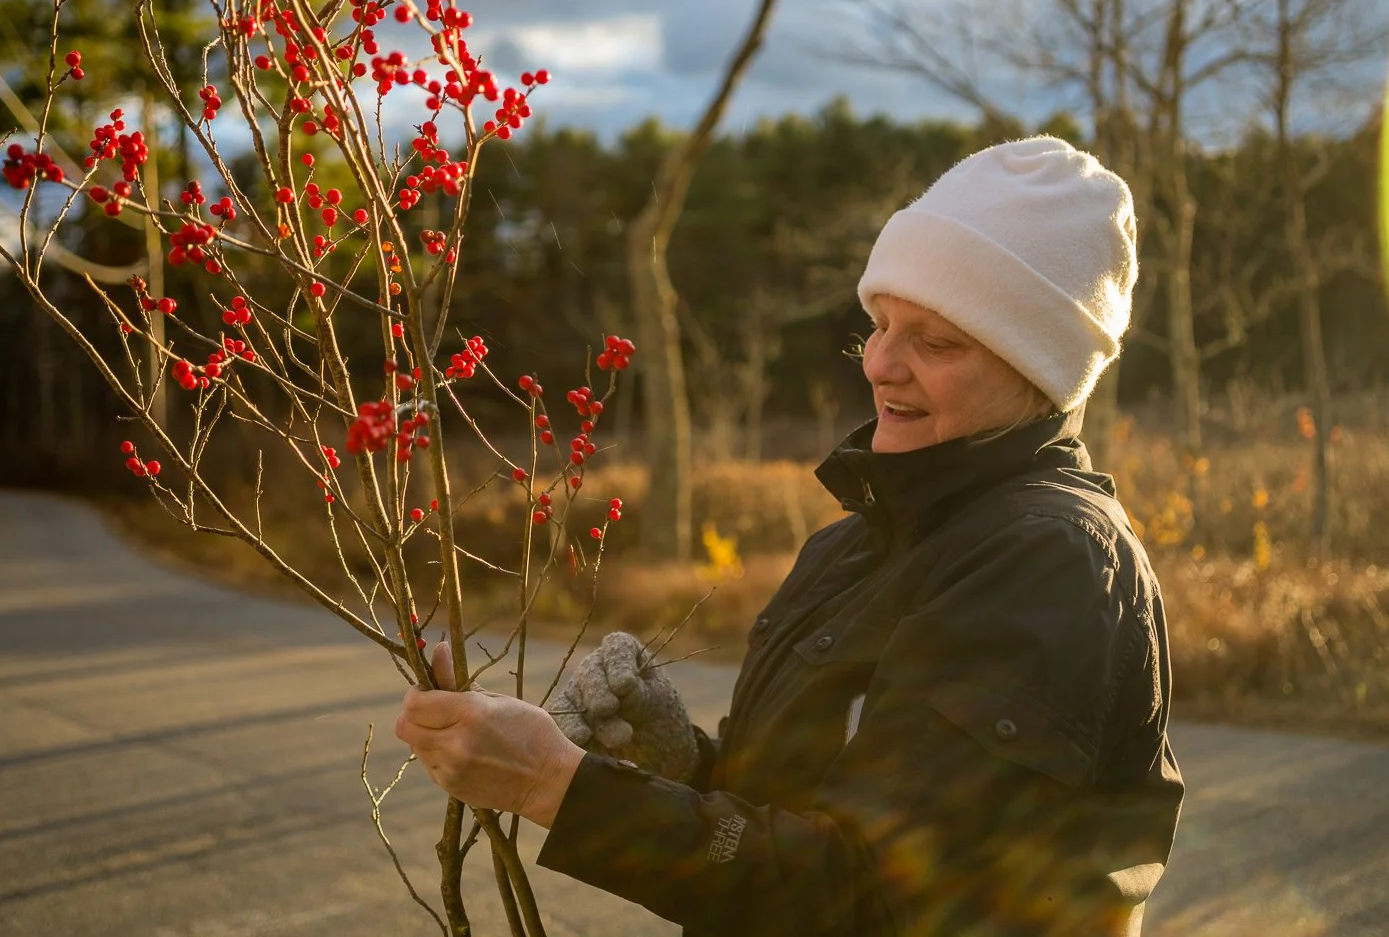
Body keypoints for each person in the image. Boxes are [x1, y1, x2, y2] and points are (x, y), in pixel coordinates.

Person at [394, 136, 1184, 936]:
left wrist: (558, 787)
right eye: (879, 324)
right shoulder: (863, 540)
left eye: (936, 342)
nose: (880, 364)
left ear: (1042, 369)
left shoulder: (1047, 562)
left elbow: (867, 897)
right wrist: (683, 766)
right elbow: (800, 822)